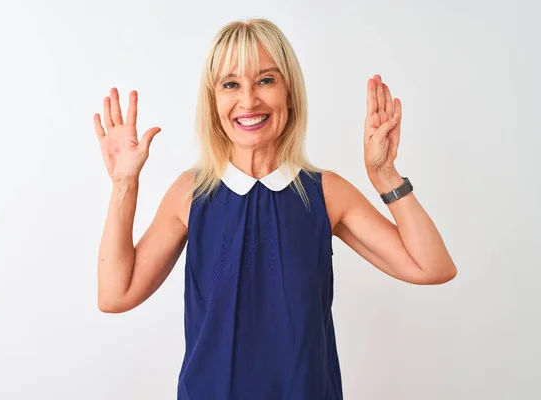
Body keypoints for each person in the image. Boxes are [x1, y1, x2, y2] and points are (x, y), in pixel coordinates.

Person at [93, 18, 457, 400]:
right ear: (213, 99)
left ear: (289, 93)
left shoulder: (324, 193)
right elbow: (116, 295)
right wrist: (124, 185)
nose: (248, 100)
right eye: (230, 84)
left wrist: (384, 174)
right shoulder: (192, 193)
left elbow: (432, 267)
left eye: (266, 80)